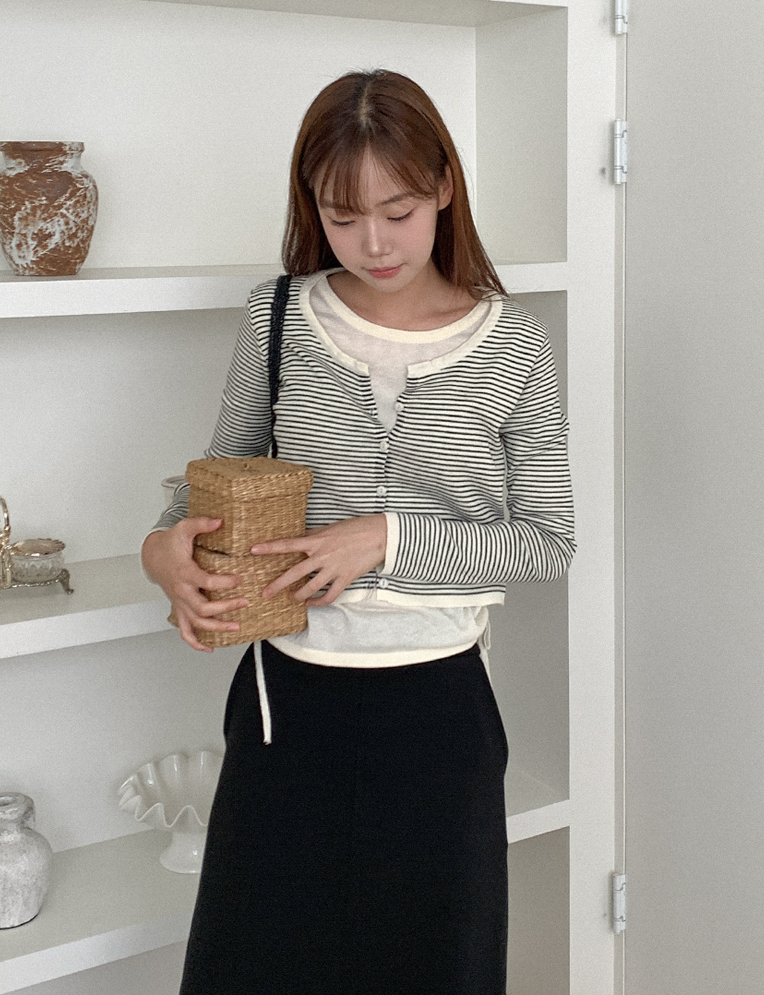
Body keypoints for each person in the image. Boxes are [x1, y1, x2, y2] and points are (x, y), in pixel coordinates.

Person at [141, 69, 575, 995]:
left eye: (399, 211)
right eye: (343, 217)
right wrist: (161, 549)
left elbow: (546, 540)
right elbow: (219, 473)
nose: (374, 242)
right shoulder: (278, 318)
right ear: (312, 206)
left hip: (440, 706)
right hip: (285, 701)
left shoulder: (515, 345)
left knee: (433, 967)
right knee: (257, 966)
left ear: (445, 187)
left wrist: (383, 538)